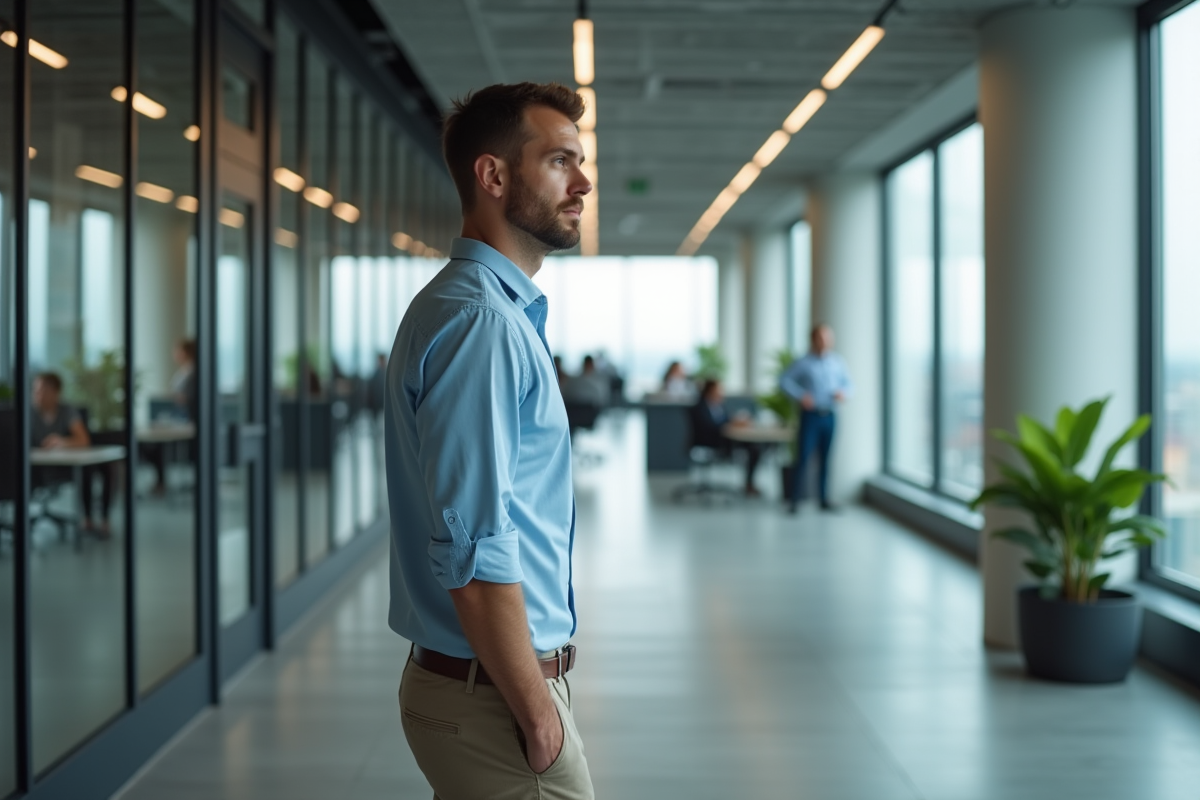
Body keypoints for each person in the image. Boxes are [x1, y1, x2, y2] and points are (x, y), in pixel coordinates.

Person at [385, 82, 594, 799]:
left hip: (484, 687)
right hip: (497, 698)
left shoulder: (479, 311)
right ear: (494, 176)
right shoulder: (482, 324)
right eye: (560, 161)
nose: (583, 183)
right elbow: (474, 548)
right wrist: (539, 717)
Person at [780, 324, 852, 513]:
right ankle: (794, 500)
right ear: (813, 339)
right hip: (810, 416)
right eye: (821, 337)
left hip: (830, 414)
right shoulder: (803, 362)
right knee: (803, 457)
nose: (825, 341)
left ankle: (823, 499)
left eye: (828, 337)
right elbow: (784, 381)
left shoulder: (837, 362)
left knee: (826, 459)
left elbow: (849, 385)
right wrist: (800, 396)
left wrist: (843, 393)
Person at [30, 371, 112, 536]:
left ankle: (95, 519)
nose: (36, 395)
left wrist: (61, 442)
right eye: (35, 390)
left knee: (99, 468)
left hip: (64, 466)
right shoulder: (29, 413)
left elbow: (83, 440)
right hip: (35, 468)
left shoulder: (66, 411)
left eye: (41, 390)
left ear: (55, 392)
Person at [690, 378, 763, 497]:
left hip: (725, 440)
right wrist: (728, 424)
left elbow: (725, 419)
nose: (721, 392)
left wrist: (736, 421)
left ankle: (749, 483)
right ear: (710, 391)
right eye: (718, 390)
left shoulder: (719, 406)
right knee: (750, 448)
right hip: (710, 443)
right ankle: (748, 484)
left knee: (755, 448)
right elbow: (709, 426)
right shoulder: (700, 407)